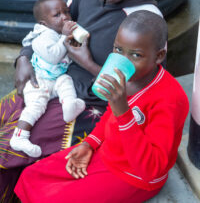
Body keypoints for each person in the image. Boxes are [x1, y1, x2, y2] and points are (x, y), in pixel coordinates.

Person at [0, 0, 163, 202]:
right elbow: (52, 25)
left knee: (9, 149)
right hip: (53, 80)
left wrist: (86, 62)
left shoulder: (144, 22)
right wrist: (24, 57)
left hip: (91, 103)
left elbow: (139, 92)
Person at [14, 11, 189, 203]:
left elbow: (152, 167)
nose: (123, 60)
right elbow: (109, 117)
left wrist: (123, 112)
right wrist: (90, 144)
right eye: (118, 50)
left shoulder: (170, 100)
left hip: (134, 176)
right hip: (107, 154)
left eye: (136, 55)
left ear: (159, 56)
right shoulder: (128, 77)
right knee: (31, 176)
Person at [10, 0, 85, 158]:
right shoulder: (42, 37)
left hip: (55, 79)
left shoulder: (59, 33)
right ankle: (19, 137)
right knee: (36, 106)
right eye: (57, 15)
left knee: (66, 82)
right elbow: (53, 57)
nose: (65, 17)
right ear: (44, 24)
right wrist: (66, 37)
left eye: (66, 12)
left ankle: (69, 108)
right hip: (39, 82)